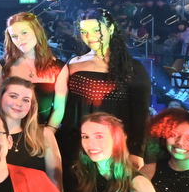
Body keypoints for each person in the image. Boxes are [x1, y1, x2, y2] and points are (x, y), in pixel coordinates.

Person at [62, 9, 151, 171]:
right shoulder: (74, 64)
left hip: (115, 149)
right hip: (76, 146)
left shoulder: (132, 68)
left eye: (96, 30)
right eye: (84, 32)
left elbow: (140, 113)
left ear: (110, 29)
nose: (90, 36)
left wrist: (137, 151)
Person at [0, 77, 64, 189]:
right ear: (1, 97)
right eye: (13, 96)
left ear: (31, 106)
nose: (19, 103)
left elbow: (55, 184)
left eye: (26, 100)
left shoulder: (44, 135)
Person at [0, 12, 67, 133]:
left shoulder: (58, 67)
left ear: (36, 31)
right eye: (14, 36)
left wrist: (48, 134)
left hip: (44, 134)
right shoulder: (3, 66)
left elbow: (59, 109)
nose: (20, 39)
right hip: (11, 134)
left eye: (24, 33)